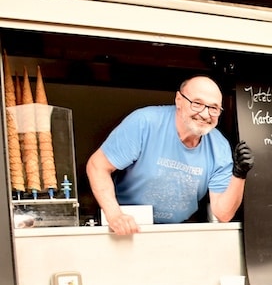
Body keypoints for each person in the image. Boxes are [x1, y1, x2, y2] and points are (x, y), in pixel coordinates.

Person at [86, 75, 253, 235]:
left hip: (175, 232)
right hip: (127, 229)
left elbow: (223, 214)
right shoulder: (145, 122)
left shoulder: (219, 147)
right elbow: (97, 166)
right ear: (179, 100)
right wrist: (114, 215)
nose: (205, 114)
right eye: (197, 103)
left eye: (214, 108)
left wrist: (239, 175)